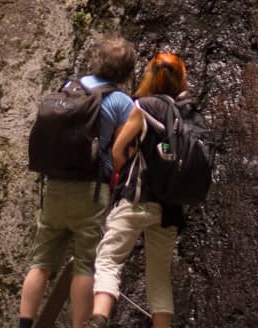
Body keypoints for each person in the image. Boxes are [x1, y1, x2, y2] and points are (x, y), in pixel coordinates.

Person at [17, 35, 137, 328]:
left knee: (41, 263)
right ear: (126, 70)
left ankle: (24, 324)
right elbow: (125, 152)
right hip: (90, 190)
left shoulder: (69, 88)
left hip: (55, 185)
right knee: (85, 265)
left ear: (96, 59)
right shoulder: (122, 102)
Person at [88, 51, 193, 328]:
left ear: (149, 76)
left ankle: (98, 319)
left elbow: (118, 150)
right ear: (181, 78)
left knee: (109, 260)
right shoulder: (188, 113)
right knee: (159, 277)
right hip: (169, 208)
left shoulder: (144, 106)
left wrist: (125, 167)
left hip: (136, 199)